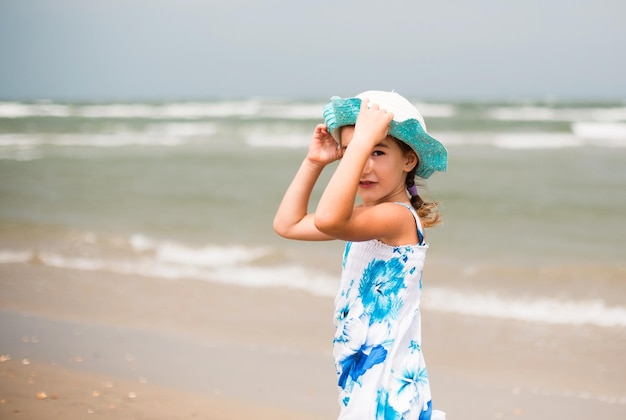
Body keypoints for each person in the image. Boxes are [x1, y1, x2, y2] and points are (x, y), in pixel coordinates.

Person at [273, 91, 447, 420]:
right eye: (353, 152)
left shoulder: (395, 218)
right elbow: (288, 224)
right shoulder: (365, 218)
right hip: (364, 368)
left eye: (376, 151)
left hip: (387, 377)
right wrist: (314, 163)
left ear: (409, 160)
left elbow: (327, 219)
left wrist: (361, 141)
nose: (363, 164)